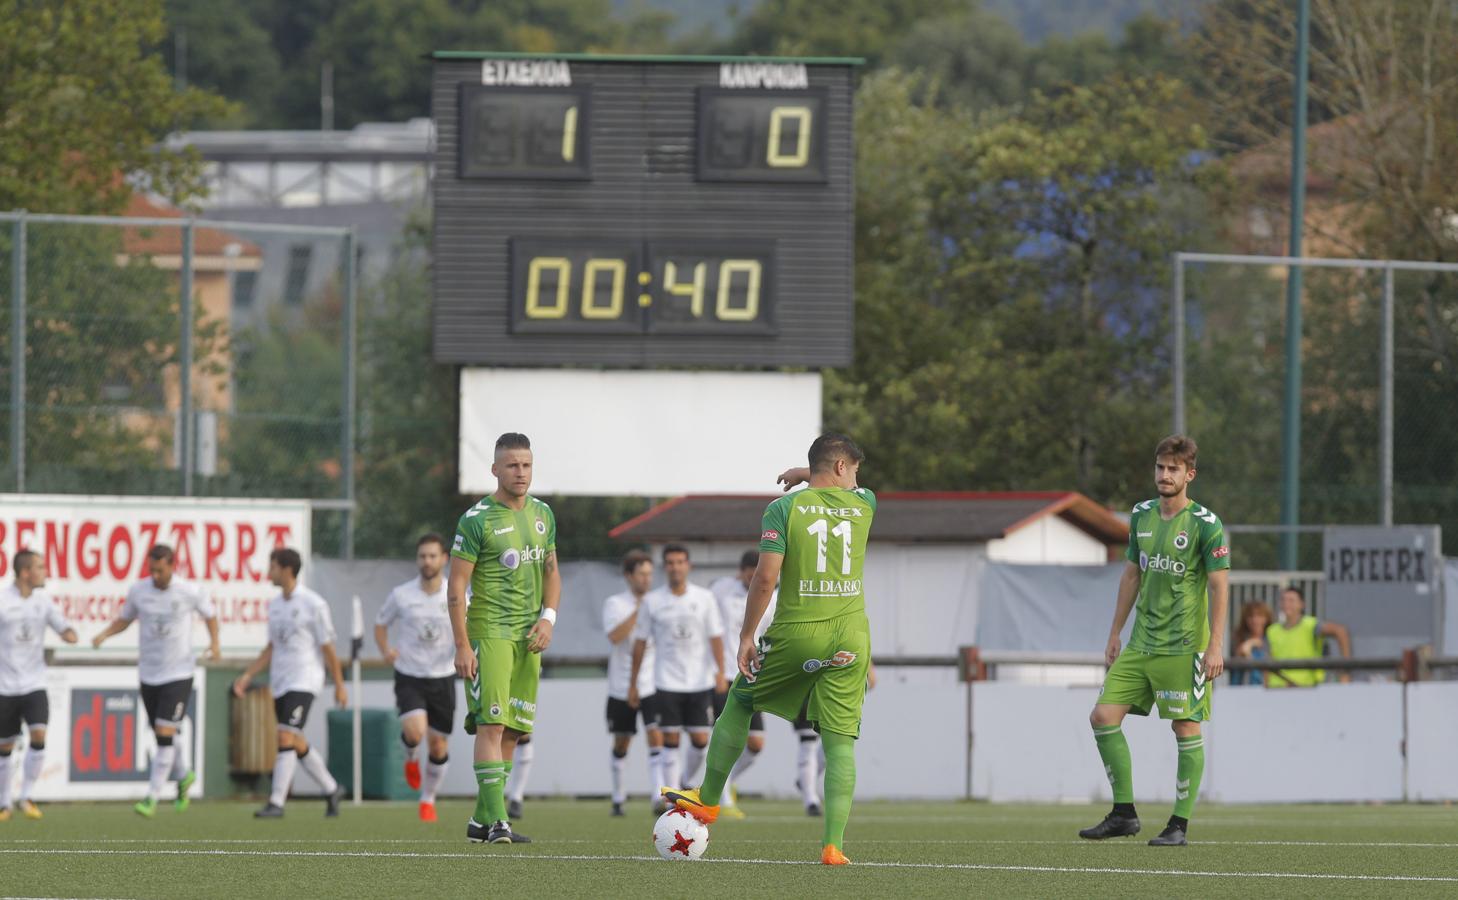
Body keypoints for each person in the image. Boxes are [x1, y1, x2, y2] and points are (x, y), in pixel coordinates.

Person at [664, 433, 876, 867]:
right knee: (840, 743)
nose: (857, 476)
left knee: (740, 701)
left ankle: (707, 799)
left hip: (799, 630)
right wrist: (809, 474)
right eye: (854, 468)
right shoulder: (866, 506)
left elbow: (764, 579)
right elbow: (853, 489)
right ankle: (833, 845)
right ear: (841, 468)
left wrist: (746, 636)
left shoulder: (783, 509)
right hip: (852, 637)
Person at [1080, 434, 1230, 848]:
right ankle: (1123, 814)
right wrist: (1115, 632)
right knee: (1102, 717)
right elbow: (1132, 574)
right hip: (1141, 644)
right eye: (1161, 468)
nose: (1165, 475)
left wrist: (1216, 645)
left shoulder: (1205, 524)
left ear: (1190, 474)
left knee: (1185, 726)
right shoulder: (1142, 515)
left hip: (1184, 648)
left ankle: (1178, 825)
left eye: (1174, 469)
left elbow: (1220, 587)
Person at [449, 432, 559, 845]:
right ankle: (499, 820)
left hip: (528, 637)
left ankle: (481, 820)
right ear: (495, 469)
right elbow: (456, 587)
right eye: (512, 465)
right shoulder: (476, 519)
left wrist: (548, 619)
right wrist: (462, 644)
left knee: (512, 730)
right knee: (491, 724)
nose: (521, 472)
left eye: (526, 465)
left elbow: (551, 571)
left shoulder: (544, 514)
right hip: (489, 633)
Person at [92, 544, 221, 817]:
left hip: (179, 673)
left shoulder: (189, 591)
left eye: (160, 570)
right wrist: (104, 634)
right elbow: (125, 619)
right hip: (149, 673)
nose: (155, 575)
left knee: (164, 734)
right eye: (151, 570)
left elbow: (210, 616)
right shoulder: (139, 590)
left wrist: (215, 644)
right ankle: (184, 775)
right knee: (164, 734)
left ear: (172, 566)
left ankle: (152, 797)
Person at [232, 548, 347, 819]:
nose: (268, 572)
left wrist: (340, 684)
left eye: (271, 567)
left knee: (285, 736)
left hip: (305, 679)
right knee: (295, 739)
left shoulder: (313, 604)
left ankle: (276, 802)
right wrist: (248, 675)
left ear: (285, 569)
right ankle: (332, 789)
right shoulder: (275, 605)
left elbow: (328, 648)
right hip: (281, 680)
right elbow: (272, 646)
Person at [628, 545, 725, 797]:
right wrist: (633, 683)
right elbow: (640, 642)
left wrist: (720, 672)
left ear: (688, 566)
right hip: (666, 681)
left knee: (701, 741)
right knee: (670, 740)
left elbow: (716, 637)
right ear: (665, 567)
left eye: (680, 562)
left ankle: (683, 779)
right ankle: (672, 798)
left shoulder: (704, 598)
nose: (675, 567)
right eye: (670, 563)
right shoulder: (653, 601)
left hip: (700, 681)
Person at [375, 533, 456, 823]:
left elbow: (469, 628)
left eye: (433, 556)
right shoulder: (402, 594)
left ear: (444, 559)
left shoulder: (457, 595)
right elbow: (380, 625)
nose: (427, 561)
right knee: (415, 732)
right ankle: (411, 757)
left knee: (438, 746)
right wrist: (386, 650)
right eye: (422, 556)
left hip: (443, 677)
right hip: (409, 674)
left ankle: (428, 799)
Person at [0, 551, 78, 821]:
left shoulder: (43, 602)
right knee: (5, 747)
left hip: (34, 683)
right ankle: (3, 804)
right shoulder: (2, 600)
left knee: (39, 736)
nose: (45, 572)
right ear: (25, 573)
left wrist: (69, 633)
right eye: (40, 567)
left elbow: (63, 626)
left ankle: (27, 796)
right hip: (5, 686)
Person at [707, 550, 775, 819]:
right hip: (724, 674)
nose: (752, 575)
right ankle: (722, 798)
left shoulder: (775, 598)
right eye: (748, 570)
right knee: (722, 736)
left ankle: (725, 781)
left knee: (756, 743)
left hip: (753, 675)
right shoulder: (723, 589)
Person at [602, 550, 663, 817]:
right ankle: (618, 798)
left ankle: (658, 796)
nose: (646, 579)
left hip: (652, 683)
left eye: (650, 574)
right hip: (621, 684)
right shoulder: (615, 603)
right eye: (641, 574)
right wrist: (640, 611)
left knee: (656, 736)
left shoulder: (660, 602)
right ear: (629, 576)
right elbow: (615, 636)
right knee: (622, 742)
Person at [1266, 587, 1352, 688]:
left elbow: (1340, 631)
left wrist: (1345, 672)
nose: (1286, 604)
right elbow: (1268, 662)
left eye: (1291, 600)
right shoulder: (1272, 630)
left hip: (1306, 688)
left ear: (1301, 604)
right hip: (1278, 688)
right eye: (1283, 600)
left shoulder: (1311, 625)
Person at [1228, 601, 1274, 686]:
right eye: (1250, 616)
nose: (1255, 620)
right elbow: (1242, 652)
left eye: (1260, 616)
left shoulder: (1272, 638)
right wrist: (1251, 643)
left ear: (1267, 618)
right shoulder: (1238, 638)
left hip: (1268, 690)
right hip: (1242, 689)